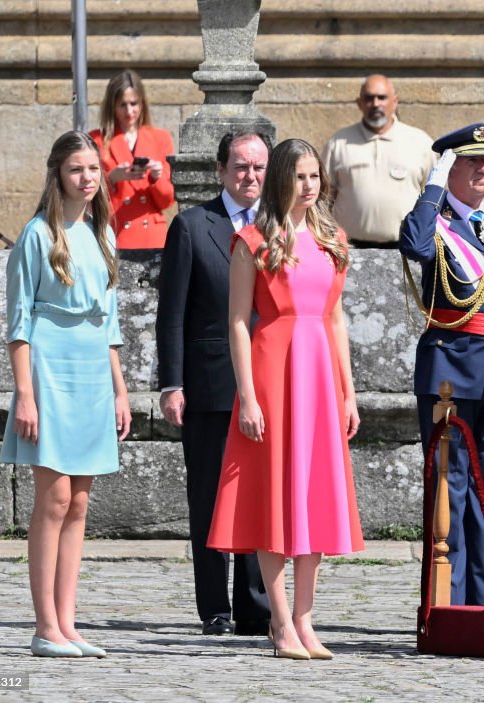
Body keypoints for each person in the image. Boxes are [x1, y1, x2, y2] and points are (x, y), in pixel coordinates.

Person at [206, 139, 364, 660]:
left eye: (314, 176)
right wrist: (248, 396)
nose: (308, 186)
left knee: (315, 495)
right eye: (299, 176)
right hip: (272, 372)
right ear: (280, 179)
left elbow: (335, 319)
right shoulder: (252, 241)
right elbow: (237, 321)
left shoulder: (333, 240)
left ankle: (305, 618)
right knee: (273, 496)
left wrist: (348, 393)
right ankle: (279, 621)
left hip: (319, 377)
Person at [1, 130, 131, 657]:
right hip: (50, 371)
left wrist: (120, 390)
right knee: (53, 499)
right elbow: (18, 324)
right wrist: (25, 394)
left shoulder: (103, 234)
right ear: (58, 173)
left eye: (93, 168)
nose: (87, 177)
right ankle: (44, 626)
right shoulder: (37, 235)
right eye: (77, 168)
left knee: (79, 501)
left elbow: (111, 323)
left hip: (93, 373)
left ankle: (68, 623)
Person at [156, 130, 273, 636]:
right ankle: (215, 607)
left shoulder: (278, 226)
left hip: (267, 382)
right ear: (221, 170)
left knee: (258, 496)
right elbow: (171, 314)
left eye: (259, 167)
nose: (250, 176)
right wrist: (171, 384)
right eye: (241, 166)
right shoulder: (191, 225)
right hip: (209, 385)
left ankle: (255, 605)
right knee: (209, 495)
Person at [399, 124, 484, 606]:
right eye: (471, 161)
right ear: (449, 169)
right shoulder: (436, 221)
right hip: (449, 366)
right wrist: (433, 188)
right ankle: (446, 605)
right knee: (447, 491)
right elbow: (415, 245)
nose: (483, 169)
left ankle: (480, 605)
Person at [322, 74, 435, 247]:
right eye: (369, 98)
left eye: (382, 97)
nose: (375, 104)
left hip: (406, 247)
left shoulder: (420, 142)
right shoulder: (338, 143)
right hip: (349, 247)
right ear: (359, 103)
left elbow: (433, 195)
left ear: (395, 102)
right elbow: (324, 197)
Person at [91, 69, 175, 249]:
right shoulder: (96, 140)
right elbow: (86, 196)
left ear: (142, 103)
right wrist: (112, 178)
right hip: (116, 233)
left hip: (151, 236)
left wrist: (156, 177)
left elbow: (167, 201)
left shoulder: (160, 138)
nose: (129, 111)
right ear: (112, 106)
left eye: (134, 103)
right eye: (122, 105)